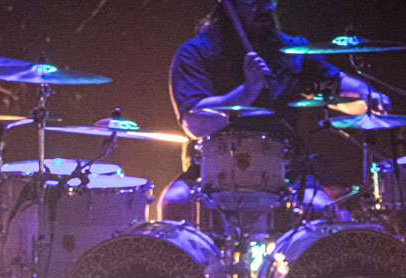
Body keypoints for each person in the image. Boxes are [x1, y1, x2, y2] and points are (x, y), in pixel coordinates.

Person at [162, 0, 390, 219]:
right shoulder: (196, 52)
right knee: (175, 202)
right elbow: (194, 123)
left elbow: (336, 86)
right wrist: (247, 91)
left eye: (269, 0)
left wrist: (367, 95)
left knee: (320, 210)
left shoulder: (291, 51)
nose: (264, 6)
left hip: (285, 171)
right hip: (212, 172)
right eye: (252, 0)